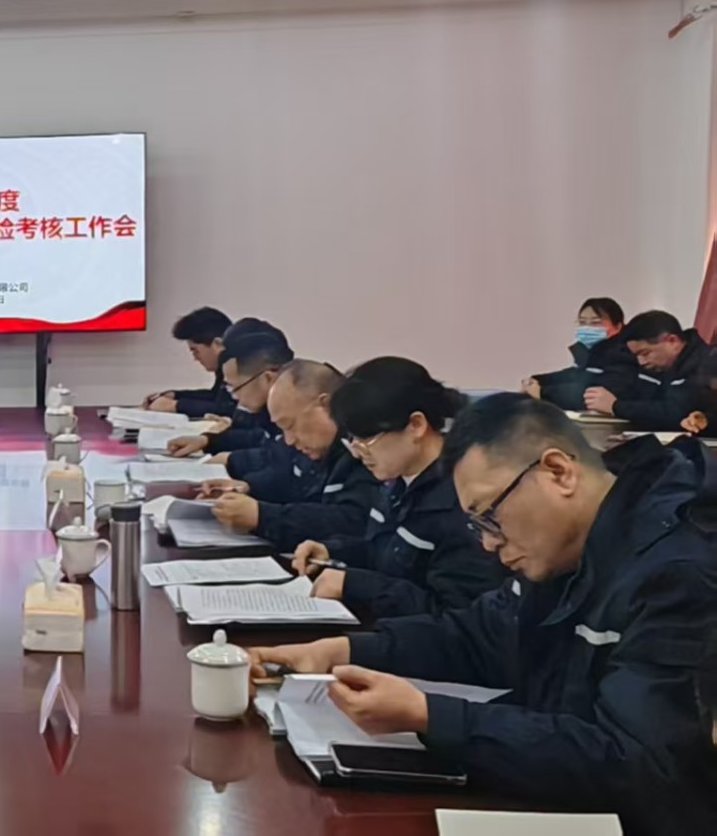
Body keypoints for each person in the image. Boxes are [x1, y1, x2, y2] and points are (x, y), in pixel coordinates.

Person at [248, 395, 717, 833]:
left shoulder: (679, 570)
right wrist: (341, 651)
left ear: (558, 472)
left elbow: (639, 763)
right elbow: (478, 636)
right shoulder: (567, 549)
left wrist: (431, 716)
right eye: (477, 526)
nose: (489, 544)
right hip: (553, 794)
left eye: (489, 516)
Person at [292, 357, 509, 617]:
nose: (358, 453)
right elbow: (386, 551)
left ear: (416, 425)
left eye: (367, 439)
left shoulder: (460, 499)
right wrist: (331, 551)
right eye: (352, 440)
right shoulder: (397, 480)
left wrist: (357, 586)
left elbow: (455, 615)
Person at [203, 359, 372, 548]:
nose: (289, 440)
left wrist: (264, 517)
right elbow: (291, 483)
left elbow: (351, 521)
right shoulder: (318, 448)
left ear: (325, 405)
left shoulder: (364, 451)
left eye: (290, 425)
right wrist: (247, 488)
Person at [167, 320, 292, 465]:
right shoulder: (266, 404)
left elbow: (280, 461)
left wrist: (232, 461)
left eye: (235, 388)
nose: (234, 397)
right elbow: (258, 437)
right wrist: (207, 440)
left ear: (267, 378)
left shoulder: (297, 410)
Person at [584, 310, 710, 431]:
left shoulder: (707, 364)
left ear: (672, 341)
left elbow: (677, 412)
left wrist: (616, 406)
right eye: (637, 356)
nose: (641, 362)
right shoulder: (668, 368)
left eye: (645, 353)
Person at [522, 297, 638, 411]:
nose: (587, 328)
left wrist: (543, 392)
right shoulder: (589, 353)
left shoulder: (623, 355)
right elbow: (572, 375)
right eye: (582, 322)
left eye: (595, 323)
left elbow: (590, 392)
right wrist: (537, 380)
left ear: (618, 326)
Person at [144, 307, 233, 417]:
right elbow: (216, 396)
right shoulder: (225, 364)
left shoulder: (242, 365)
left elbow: (230, 410)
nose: (195, 358)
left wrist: (175, 405)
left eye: (195, 351)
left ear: (217, 344)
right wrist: (175, 395)